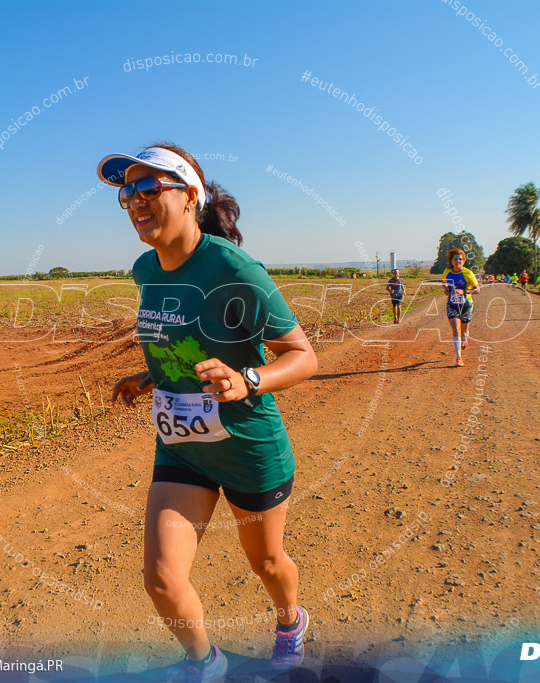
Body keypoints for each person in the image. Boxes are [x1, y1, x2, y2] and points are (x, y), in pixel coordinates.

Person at [103, 144, 319, 681]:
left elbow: (303, 356)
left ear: (189, 195)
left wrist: (248, 380)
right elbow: (184, 336)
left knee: (268, 565)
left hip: (248, 449)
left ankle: (291, 620)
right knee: (162, 579)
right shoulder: (145, 268)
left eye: (148, 188)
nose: (134, 200)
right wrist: (151, 375)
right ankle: (206, 664)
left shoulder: (231, 265)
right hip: (183, 450)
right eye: (127, 191)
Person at [439, 249, 481, 367]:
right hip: (452, 305)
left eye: (460, 259)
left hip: (466, 305)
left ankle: (465, 337)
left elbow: (477, 290)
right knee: (456, 330)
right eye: (455, 259)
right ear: (451, 261)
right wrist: (446, 289)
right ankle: (459, 357)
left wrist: (464, 291)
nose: (458, 261)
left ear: (464, 261)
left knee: (463, 332)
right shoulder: (447, 272)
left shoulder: (468, 274)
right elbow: (444, 283)